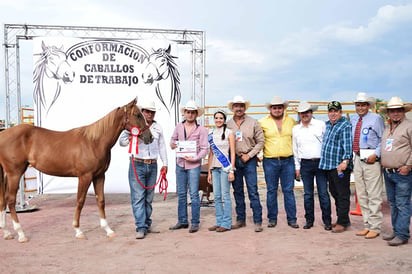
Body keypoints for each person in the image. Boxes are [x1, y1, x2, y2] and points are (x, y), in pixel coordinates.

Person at [119, 100, 168, 239]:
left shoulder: (158, 127)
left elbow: (162, 146)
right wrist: (131, 136)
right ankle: (141, 226)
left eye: (152, 112)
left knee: (148, 197)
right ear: (143, 112)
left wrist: (165, 163)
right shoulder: (134, 124)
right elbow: (121, 142)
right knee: (138, 196)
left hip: (152, 163)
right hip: (137, 163)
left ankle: (146, 223)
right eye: (147, 111)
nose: (150, 114)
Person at [169, 100, 209, 233]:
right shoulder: (178, 127)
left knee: (193, 194)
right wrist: (173, 144)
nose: (190, 115)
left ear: (196, 114)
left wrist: (196, 158)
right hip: (180, 163)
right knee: (181, 193)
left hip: (194, 165)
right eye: (188, 112)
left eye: (192, 112)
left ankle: (195, 222)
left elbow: (204, 149)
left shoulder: (202, 130)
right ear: (184, 113)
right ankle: (182, 221)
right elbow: (172, 140)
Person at [259, 96, 298, 229]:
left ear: (283, 108)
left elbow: (297, 140)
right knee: (271, 190)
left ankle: (292, 219)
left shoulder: (291, 121)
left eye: (279, 107)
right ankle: (272, 218)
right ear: (270, 109)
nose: (277, 110)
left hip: (288, 159)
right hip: (270, 160)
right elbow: (258, 140)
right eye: (274, 108)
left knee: (288, 190)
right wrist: (258, 155)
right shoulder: (262, 122)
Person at [227, 95, 264, 232]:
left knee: (253, 190)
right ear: (233, 108)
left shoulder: (253, 122)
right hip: (234, 159)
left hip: (249, 159)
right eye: (236, 106)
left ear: (244, 108)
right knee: (237, 191)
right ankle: (240, 219)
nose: (239, 108)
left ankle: (257, 220)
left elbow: (261, 141)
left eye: (241, 106)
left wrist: (250, 155)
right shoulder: (228, 124)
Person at [350, 92, 385, 240]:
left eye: (363, 105)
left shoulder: (376, 119)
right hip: (358, 157)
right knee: (362, 193)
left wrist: (376, 154)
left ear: (368, 106)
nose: (360, 107)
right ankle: (367, 224)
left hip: (371, 158)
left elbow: (382, 139)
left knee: (373, 193)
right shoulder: (353, 119)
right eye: (358, 105)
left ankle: (375, 226)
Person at [292, 101, 332, 230]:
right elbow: (295, 149)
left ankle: (327, 221)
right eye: (302, 113)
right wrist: (297, 167)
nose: (305, 115)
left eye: (307, 112)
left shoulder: (320, 125)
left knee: (323, 193)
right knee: (308, 194)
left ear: (311, 113)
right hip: (305, 163)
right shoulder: (296, 129)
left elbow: (327, 143)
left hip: (320, 162)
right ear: (299, 114)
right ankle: (309, 220)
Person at [379, 96, 412, 246]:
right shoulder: (388, 128)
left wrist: (408, 165)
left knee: (402, 203)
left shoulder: (409, 127)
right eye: (392, 111)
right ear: (388, 113)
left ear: (403, 112)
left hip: (402, 172)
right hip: (389, 172)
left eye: (398, 110)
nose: (395, 113)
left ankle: (402, 234)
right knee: (393, 203)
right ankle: (397, 230)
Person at [319, 101, 352, 233]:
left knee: (342, 194)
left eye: (336, 111)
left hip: (339, 166)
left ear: (340, 112)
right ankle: (343, 219)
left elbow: (347, 145)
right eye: (331, 111)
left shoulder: (345, 125)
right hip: (328, 165)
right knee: (335, 193)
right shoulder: (327, 125)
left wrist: (345, 161)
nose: (333, 113)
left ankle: (342, 222)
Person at [207, 110, 236, 232]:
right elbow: (211, 154)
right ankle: (218, 221)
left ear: (224, 120)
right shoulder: (211, 133)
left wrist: (231, 171)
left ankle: (227, 222)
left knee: (225, 195)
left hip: (225, 168)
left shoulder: (229, 133)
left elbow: (232, 153)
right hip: (214, 168)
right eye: (216, 118)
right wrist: (209, 171)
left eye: (221, 118)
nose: (218, 120)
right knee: (217, 196)